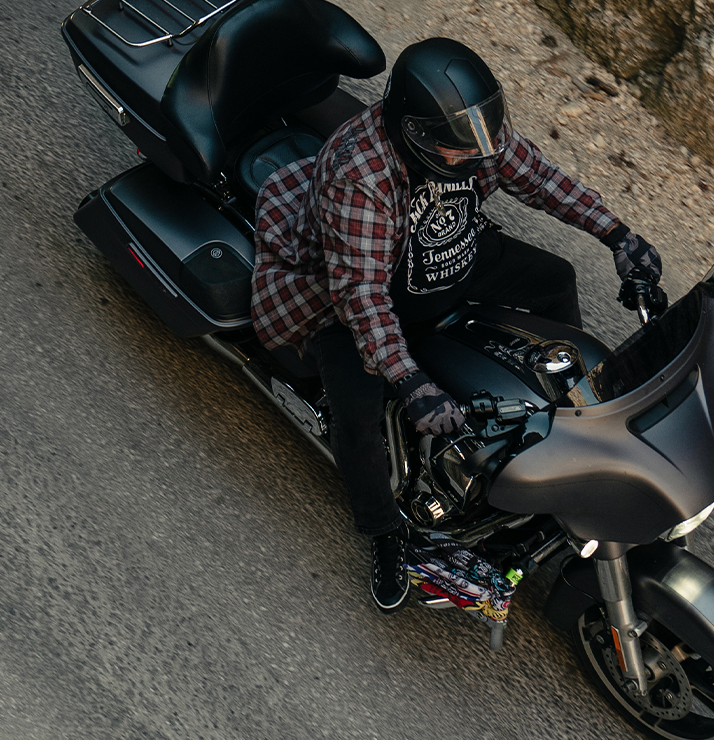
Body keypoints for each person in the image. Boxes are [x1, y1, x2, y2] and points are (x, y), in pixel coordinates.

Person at [250, 37, 660, 611]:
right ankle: (387, 535)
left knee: (553, 279)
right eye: (460, 154)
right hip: (355, 290)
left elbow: (541, 178)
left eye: (485, 143)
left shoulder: (467, 137)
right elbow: (363, 298)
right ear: (412, 132)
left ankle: (570, 410)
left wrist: (618, 235)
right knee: (358, 413)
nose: (480, 161)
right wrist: (413, 383)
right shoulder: (360, 177)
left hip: (442, 257)